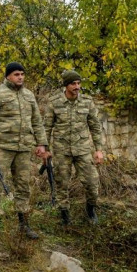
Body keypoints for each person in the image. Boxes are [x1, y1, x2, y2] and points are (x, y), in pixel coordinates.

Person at [0, 62, 48, 240]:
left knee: (23, 186)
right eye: (17, 74)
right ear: (8, 76)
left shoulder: (29, 95)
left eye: (22, 74)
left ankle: (24, 224)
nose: (20, 77)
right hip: (2, 147)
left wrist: (42, 143)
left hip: (24, 148)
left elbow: (37, 122)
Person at [43, 70, 105, 225]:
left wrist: (98, 149)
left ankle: (91, 210)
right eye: (73, 84)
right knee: (61, 183)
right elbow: (47, 127)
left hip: (83, 150)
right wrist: (45, 148)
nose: (77, 87)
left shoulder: (87, 102)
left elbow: (95, 127)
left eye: (79, 83)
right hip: (62, 150)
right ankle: (64, 214)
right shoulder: (54, 102)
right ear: (66, 85)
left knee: (92, 182)